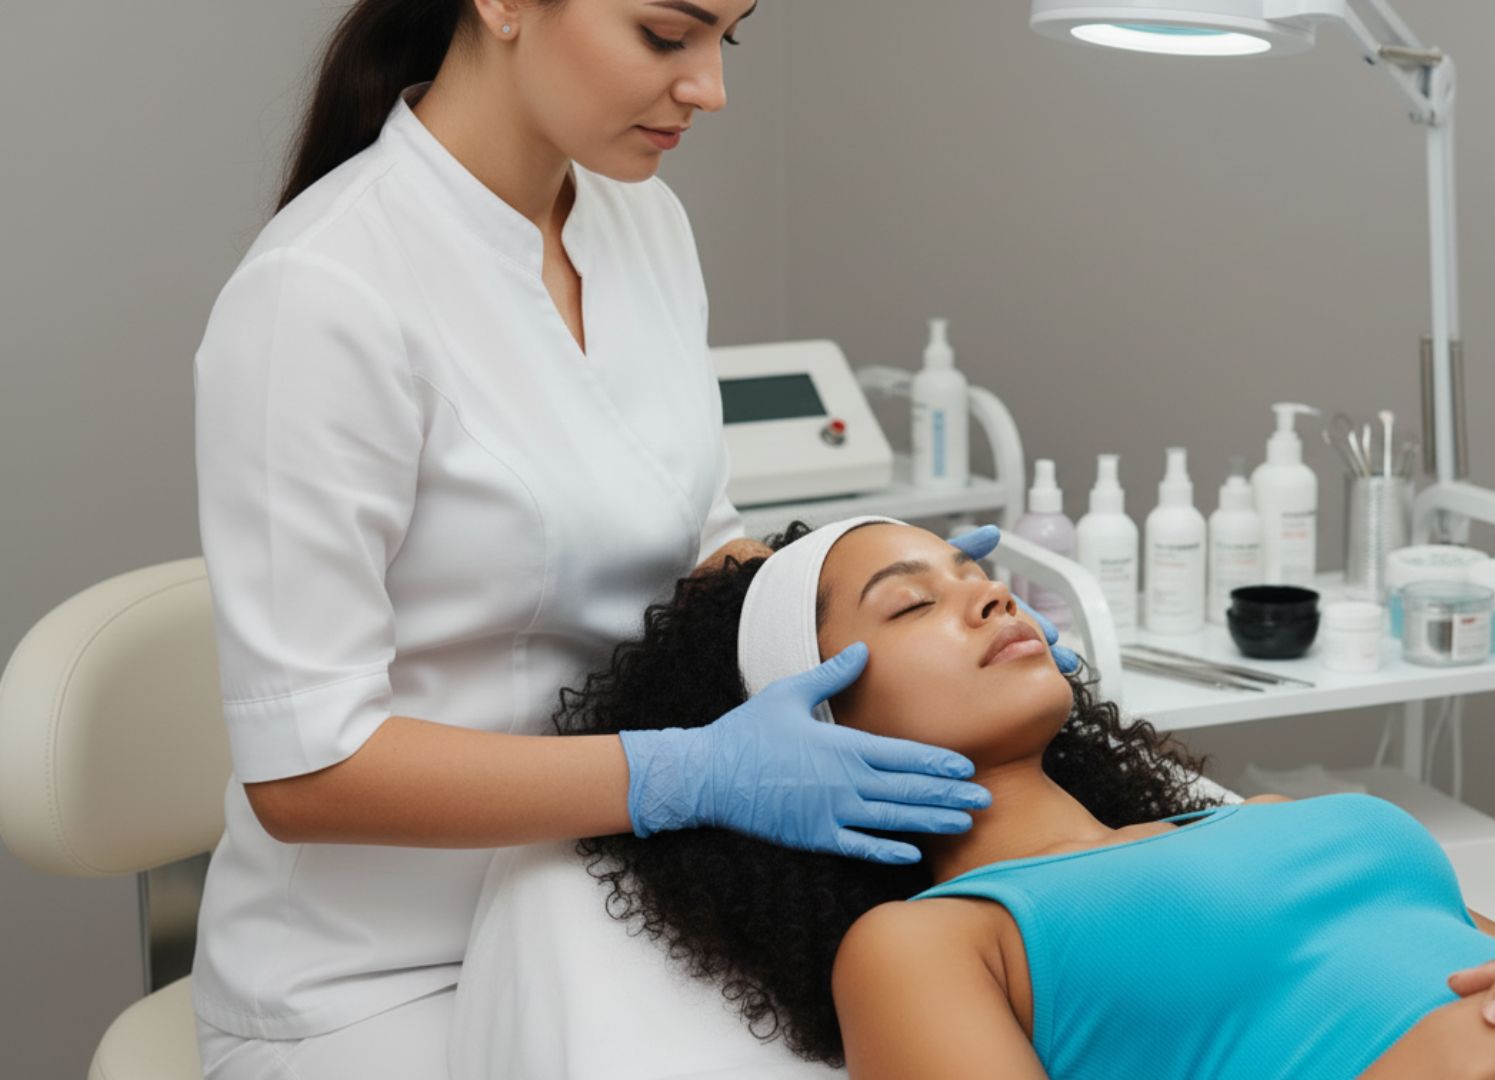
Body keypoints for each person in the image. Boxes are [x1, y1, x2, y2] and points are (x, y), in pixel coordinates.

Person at [186, 2, 1078, 1076]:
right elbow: (307, 771)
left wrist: (894, 594)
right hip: (381, 977)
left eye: (726, 40)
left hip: (619, 899)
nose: (709, 88)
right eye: (667, 34)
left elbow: (698, 544)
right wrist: (686, 773)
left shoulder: (638, 223)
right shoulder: (319, 293)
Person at [542, 516, 1495, 1078]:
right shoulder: (928, 943)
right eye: (911, 606)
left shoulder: (1257, 819)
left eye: (980, 577)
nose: (991, 601)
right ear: (809, 723)